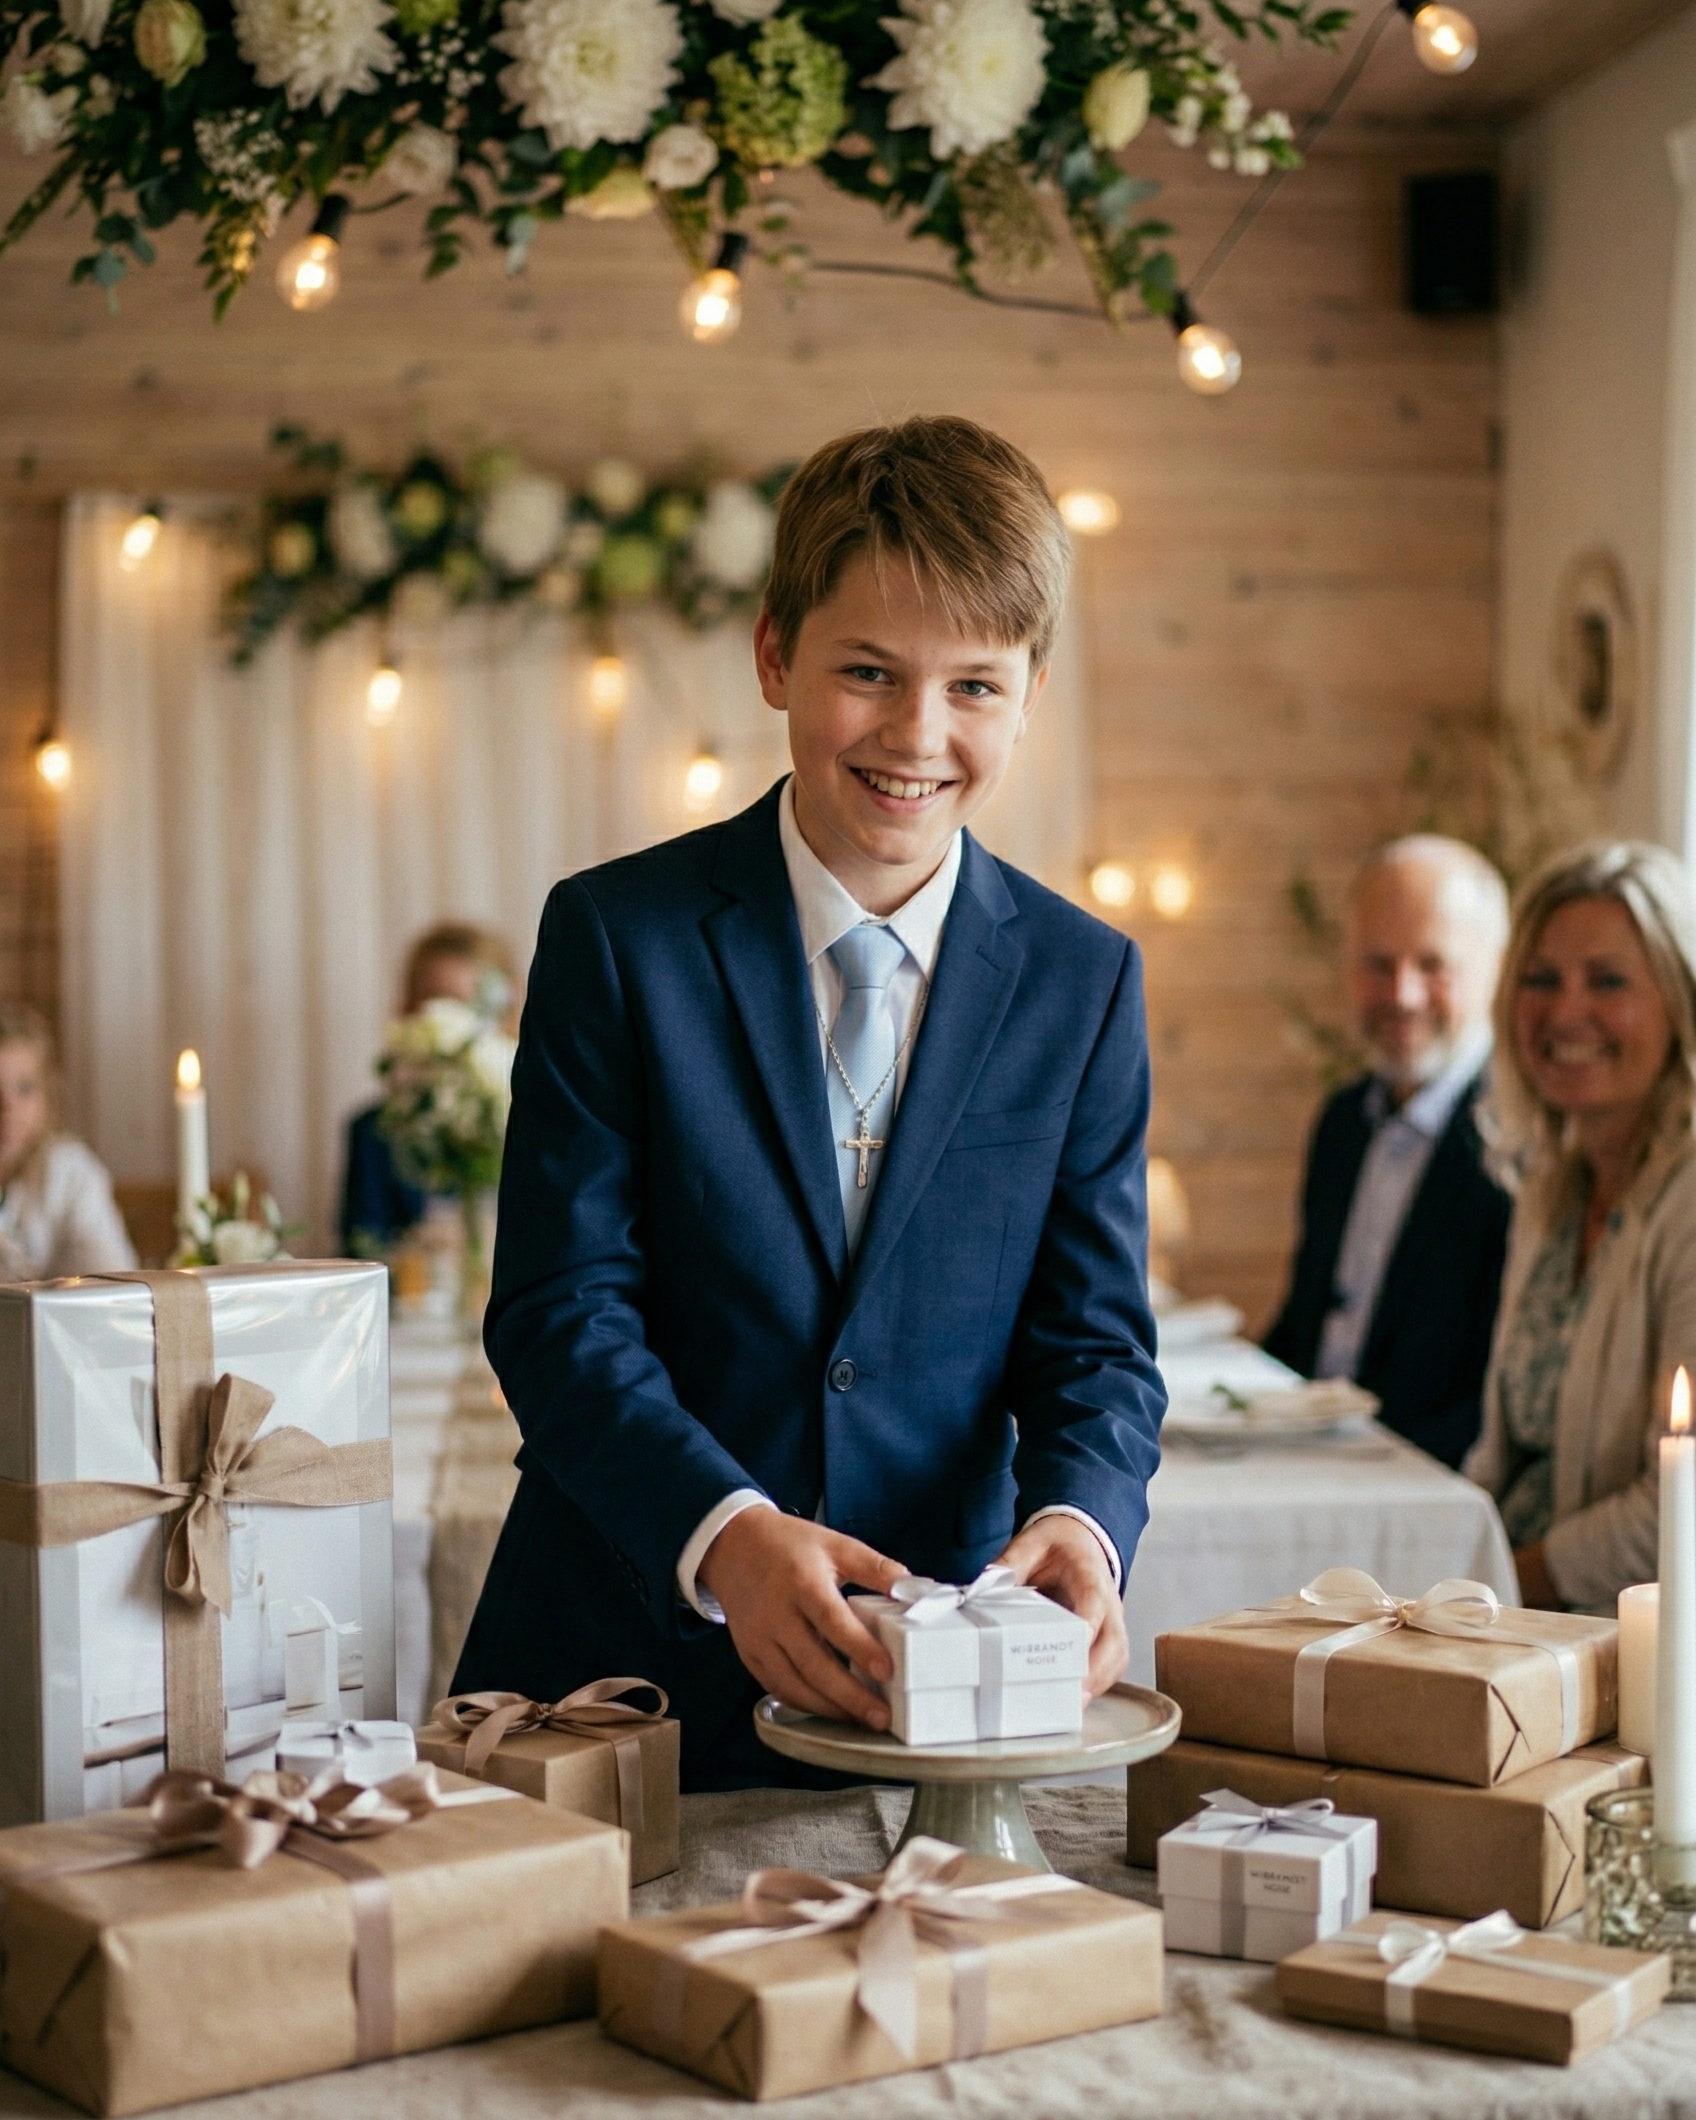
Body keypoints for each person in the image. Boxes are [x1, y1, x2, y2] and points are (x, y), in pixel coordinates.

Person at [453, 416, 1166, 1789]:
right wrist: (720, 1528)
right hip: (617, 1677)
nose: (917, 735)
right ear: (775, 654)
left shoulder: (1087, 981)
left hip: (929, 1691)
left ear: (1030, 691)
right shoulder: (619, 936)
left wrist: (1085, 1519)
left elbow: (1097, 1348)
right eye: (868, 673)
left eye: (975, 686)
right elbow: (558, 1312)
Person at [1467, 842, 1696, 1611]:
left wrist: (1490, 1587)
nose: (1566, 1012)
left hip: (1632, 1642)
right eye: (1542, 980)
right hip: (1517, 1619)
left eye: (1608, 981)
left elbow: (1679, 1504)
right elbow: (1500, 1461)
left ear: (1682, 1000)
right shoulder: (1549, 1186)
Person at [1264, 836, 1512, 1466]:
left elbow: (1498, 1395)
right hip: (1315, 1460)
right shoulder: (1343, 1122)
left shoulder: (1520, 1142)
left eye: (1434, 964)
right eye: (1378, 964)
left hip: (1425, 1483)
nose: (1401, 994)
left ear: (1496, 969)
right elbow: (1303, 1329)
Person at [339, 921, 516, 1255]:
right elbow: (360, 1255)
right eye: (436, 1004)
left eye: (467, 1007)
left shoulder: (539, 1128)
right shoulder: (372, 1133)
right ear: (408, 1012)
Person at [0, 1003, 135, 1277]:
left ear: (47, 1093)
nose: (7, 1107)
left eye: (25, 1089)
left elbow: (112, 1275)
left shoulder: (70, 1171)